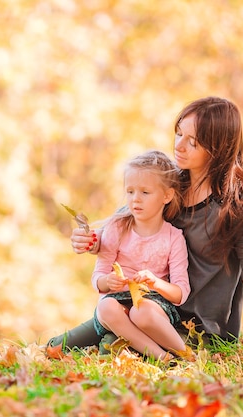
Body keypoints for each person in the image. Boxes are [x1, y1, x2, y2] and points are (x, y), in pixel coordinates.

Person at [50, 96, 243, 351]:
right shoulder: (170, 183)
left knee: (111, 344)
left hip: (200, 325)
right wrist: (91, 240)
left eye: (193, 142)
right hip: (148, 306)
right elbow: (126, 223)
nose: (179, 145)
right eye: (179, 133)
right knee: (58, 345)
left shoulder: (241, 200)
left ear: (218, 147)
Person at [91, 150, 190, 361]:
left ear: (167, 195)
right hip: (115, 303)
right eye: (130, 192)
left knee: (141, 311)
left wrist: (155, 282)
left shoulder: (174, 237)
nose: (135, 199)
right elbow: (98, 277)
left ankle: (185, 353)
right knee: (105, 306)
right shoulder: (118, 227)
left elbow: (181, 293)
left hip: (152, 303)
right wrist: (107, 282)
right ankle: (161, 357)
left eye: (145, 192)